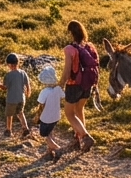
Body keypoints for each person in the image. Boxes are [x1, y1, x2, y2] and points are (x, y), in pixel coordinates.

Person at [59, 19, 97, 153]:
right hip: (88, 84)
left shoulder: (70, 49)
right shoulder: (90, 46)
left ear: (70, 33)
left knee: (69, 113)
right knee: (79, 110)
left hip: (74, 85)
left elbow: (67, 70)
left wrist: (60, 84)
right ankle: (79, 138)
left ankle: (85, 137)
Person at [34, 65, 64, 161]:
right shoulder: (58, 89)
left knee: (45, 135)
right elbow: (63, 95)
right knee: (50, 133)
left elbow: (41, 105)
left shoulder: (44, 92)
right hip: (56, 116)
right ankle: (49, 151)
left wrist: (37, 116)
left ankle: (57, 148)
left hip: (46, 117)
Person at [0, 53, 31, 138]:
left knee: (9, 115)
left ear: (8, 64)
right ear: (18, 63)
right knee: (20, 113)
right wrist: (28, 93)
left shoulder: (8, 75)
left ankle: (8, 130)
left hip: (11, 99)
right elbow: (27, 84)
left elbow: (4, 87)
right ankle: (25, 128)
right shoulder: (23, 73)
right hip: (21, 98)